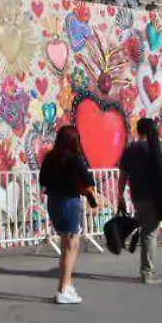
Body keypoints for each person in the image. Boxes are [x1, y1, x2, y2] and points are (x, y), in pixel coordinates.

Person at [38, 125, 98, 304]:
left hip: (54, 202)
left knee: (67, 246)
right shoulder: (74, 159)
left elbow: (43, 180)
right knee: (70, 248)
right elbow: (88, 180)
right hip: (70, 202)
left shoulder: (50, 158)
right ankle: (63, 289)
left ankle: (67, 284)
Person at [121, 118, 162, 284]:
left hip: (137, 195)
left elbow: (123, 175)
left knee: (146, 230)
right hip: (153, 195)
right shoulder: (157, 149)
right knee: (150, 233)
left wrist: (119, 195)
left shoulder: (130, 150)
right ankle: (147, 271)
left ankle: (146, 267)